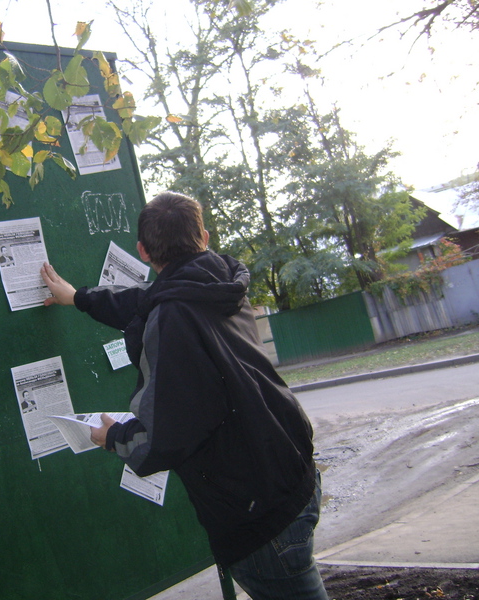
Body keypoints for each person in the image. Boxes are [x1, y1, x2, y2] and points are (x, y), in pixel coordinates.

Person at [40, 192, 328, 600]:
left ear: (142, 251)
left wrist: (113, 437)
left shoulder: (172, 318)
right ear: (204, 238)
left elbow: (165, 438)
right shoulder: (222, 281)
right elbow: (146, 300)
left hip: (257, 512)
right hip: (292, 471)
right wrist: (78, 297)